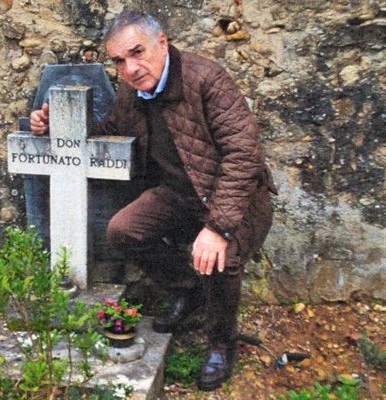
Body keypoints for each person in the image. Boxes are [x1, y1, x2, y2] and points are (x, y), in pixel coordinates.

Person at [29, 10, 276, 391]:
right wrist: (55, 127)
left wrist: (218, 227)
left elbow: (244, 154)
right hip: (178, 194)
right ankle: (186, 288)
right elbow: (111, 132)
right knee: (122, 232)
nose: (130, 68)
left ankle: (221, 343)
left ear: (162, 43)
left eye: (137, 52)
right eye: (119, 61)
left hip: (230, 195)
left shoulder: (206, 80)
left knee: (219, 257)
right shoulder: (133, 91)